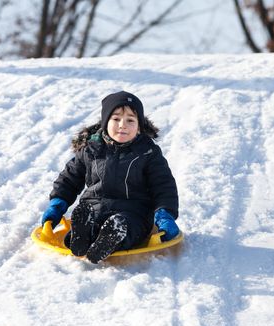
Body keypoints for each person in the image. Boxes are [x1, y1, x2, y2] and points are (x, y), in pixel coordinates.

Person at [41, 91, 179, 264]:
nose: (123, 125)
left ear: (139, 126)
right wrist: (57, 203)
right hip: (94, 207)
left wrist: (165, 214)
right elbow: (70, 179)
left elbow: (163, 185)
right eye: (116, 119)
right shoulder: (91, 149)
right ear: (105, 122)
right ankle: (81, 235)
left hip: (134, 211)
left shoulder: (147, 152)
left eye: (130, 120)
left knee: (127, 227)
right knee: (90, 219)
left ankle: (113, 236)